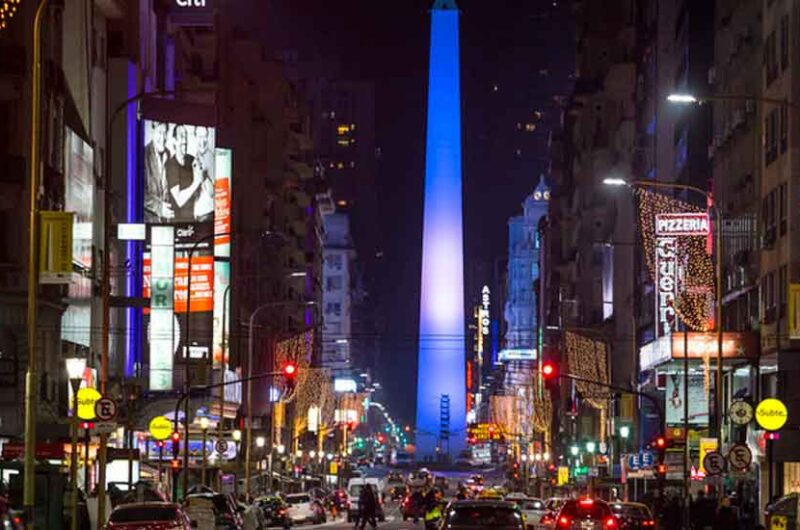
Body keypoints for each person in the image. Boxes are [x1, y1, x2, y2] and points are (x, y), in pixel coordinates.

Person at [165, 124, 202, 222]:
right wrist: (196, 183)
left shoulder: (191, 159)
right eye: (181, 136)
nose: (185, 141)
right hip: (178, 223)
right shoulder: (171, 165)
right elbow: (179, 200)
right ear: (174, 141)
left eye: (186, 136)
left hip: (194, 220)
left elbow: (203, 191)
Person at [144, 121, 174, 222]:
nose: (163, 138)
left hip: (166, 221)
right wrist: (159, 207)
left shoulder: (168, 154)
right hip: (149, 221)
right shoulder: (143, 154)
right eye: (160, 132)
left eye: (165, 133)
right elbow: (139, 192)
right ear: (152, 132)